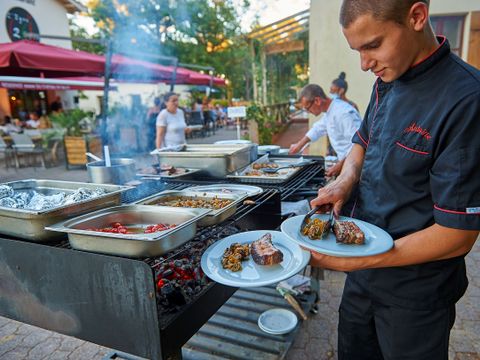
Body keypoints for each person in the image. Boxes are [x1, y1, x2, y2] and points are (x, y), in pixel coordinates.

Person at [309, 1, 480, 359]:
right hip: (363, 278)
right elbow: (363, 140)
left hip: (415, 296)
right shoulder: (387, 78)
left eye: (372, 45)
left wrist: (357, 261)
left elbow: (457, 235)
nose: (364, 63)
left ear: (416, 17)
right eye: (357, 50)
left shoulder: (466, 98)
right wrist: (346, 179)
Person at [289, 84, 361, 177]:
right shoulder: (329, 111)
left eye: (307, 108)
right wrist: (298, 145)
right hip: (346, 162)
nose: (308, 112)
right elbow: (317, 129)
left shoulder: (344, 113)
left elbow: (358, 144)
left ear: (317, 101)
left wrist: (340, 165)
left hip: (355, 165)